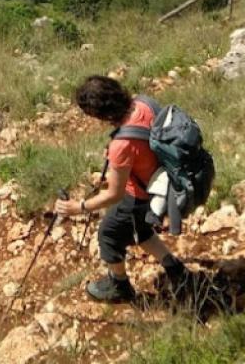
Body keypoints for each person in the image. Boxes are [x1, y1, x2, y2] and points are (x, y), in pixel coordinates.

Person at [55, 75, 190, 303]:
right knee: (142, 230)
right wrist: (113, 175)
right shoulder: (144, 103)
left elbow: (114, 194)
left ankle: (119, 286)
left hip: (139, 197)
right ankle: (175, 268)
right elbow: (145, 151)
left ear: (100, 114)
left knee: (108, 235)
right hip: (161, 183)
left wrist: (78, 207)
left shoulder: (122, 144)